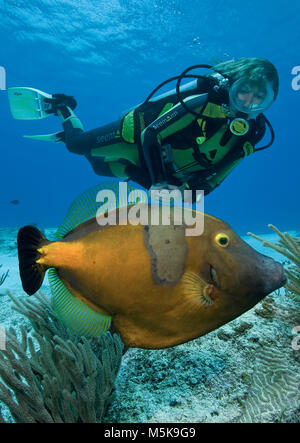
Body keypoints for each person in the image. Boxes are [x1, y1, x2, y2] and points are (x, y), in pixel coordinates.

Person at [8, 57, 279, 201]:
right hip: (134, 138)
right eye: (244, 91)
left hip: (162, 166)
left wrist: (196, 193)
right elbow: (151, 133)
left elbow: (222, 171)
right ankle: (62, 108)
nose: (247, 102)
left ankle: (125, 167)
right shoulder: (204, 101)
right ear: (234, 85)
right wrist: (159, 182)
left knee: (100, 169)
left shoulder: (254, 133)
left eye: (259, 97)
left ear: (270, 100)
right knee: (76, 147)